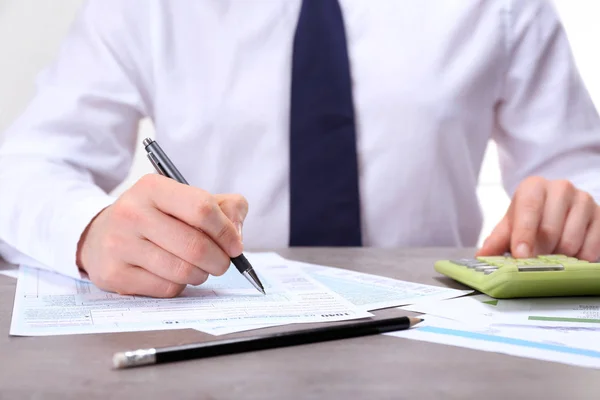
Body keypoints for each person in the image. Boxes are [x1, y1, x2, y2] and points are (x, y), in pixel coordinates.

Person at [1, 0, 600, 298]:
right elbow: (23, 167)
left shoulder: (503, 7)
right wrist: (89, 230)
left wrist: (578, 208)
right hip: (219, 336)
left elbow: (578, 167)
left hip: (439, 329)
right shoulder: (142, 9)